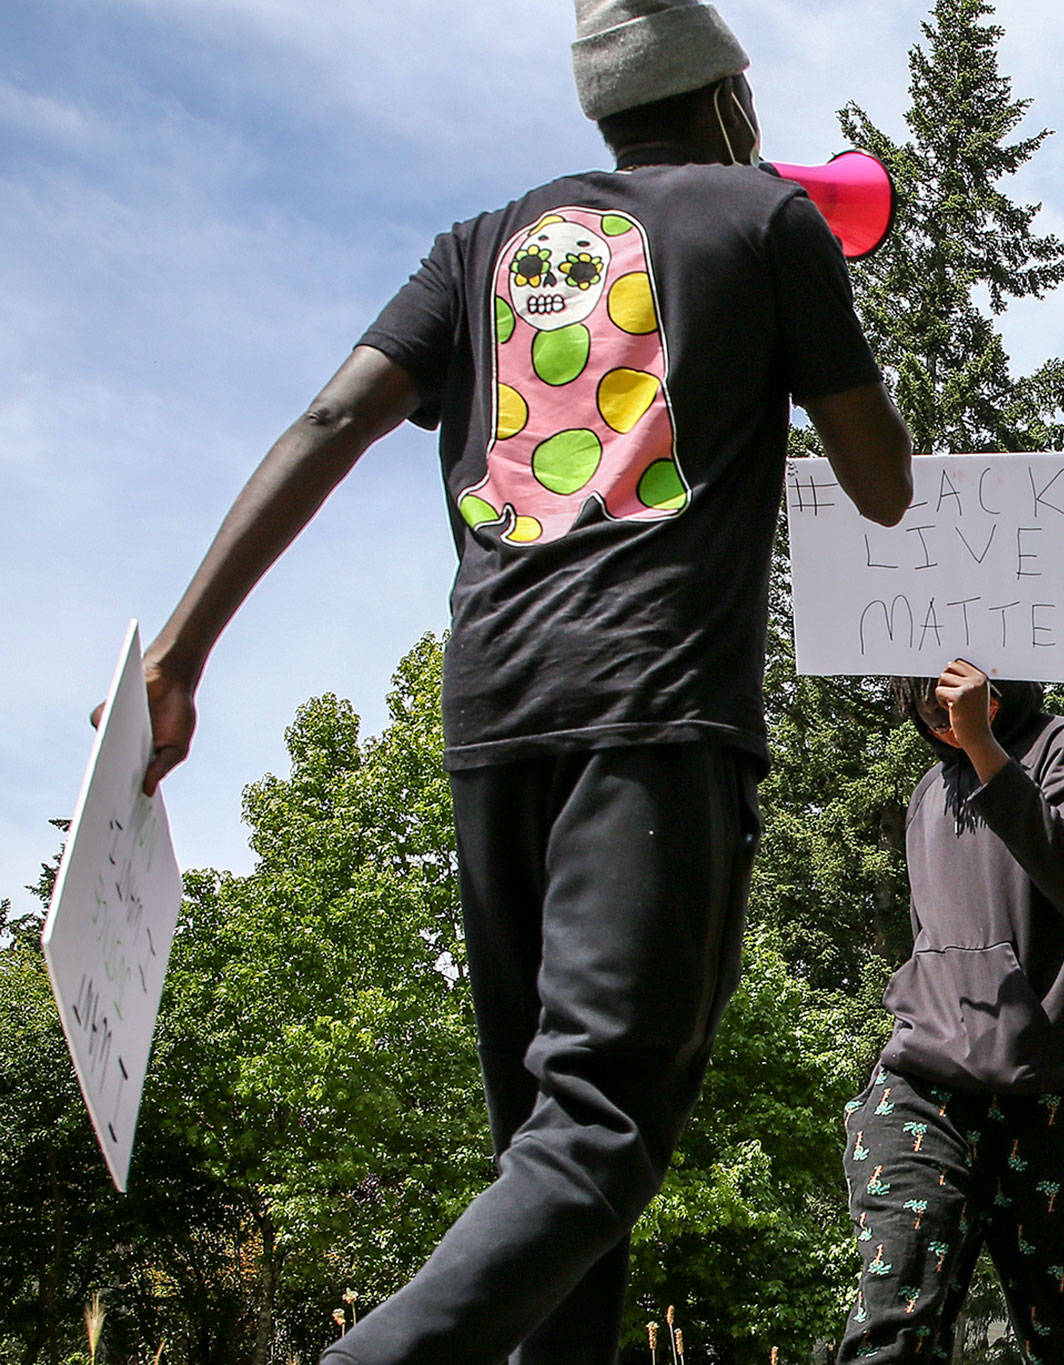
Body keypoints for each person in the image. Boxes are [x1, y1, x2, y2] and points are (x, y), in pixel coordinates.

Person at [118, 4, 914, 1360]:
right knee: (601, 1137)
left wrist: (180, 655)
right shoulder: (767, 224)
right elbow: (884, 485)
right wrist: (788, 315)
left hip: (494, 718)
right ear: (729, 94)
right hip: (654, 713)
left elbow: (330, 418)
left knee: (548, 1164)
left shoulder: (475, 246)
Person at [837, 659, 1064, 1362]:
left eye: (950, 700)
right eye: (924, 710)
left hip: (1056, 1090)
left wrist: (985, 750)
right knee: (892, 1324)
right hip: (925, 1080)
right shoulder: (928, 793)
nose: (940, 720)